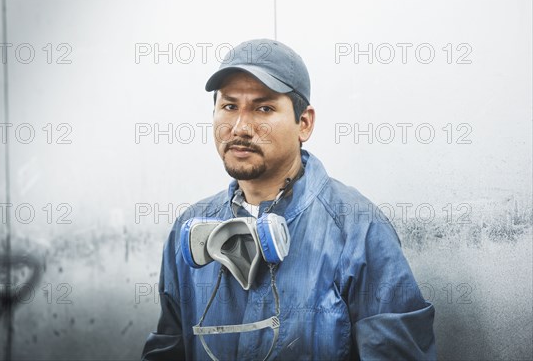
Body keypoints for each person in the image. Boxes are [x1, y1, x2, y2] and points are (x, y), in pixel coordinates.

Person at [142, 39, 436, 360]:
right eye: (229, 106)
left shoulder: (359, 230)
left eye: (263, 108)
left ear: (304, 123)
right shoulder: (189, 230)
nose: (240, 127)